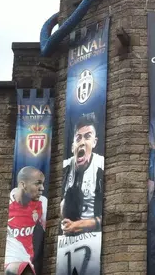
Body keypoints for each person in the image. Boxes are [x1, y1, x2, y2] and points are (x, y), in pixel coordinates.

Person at [57, 113, 104, 275]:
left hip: (93, 240)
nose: (82, 142)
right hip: (65, 243)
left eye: (87, 137)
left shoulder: (101, 168)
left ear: (94, 142)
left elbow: (112, 216)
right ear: (72, 146)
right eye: (78, 138)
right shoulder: (63, 169)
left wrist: (79, 225)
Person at [4, 167, 47, 275]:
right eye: (38, 183)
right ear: (23, 185)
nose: (42, 188)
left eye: (42, 184)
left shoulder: (42, 202)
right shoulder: (6, 204)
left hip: (27, 259)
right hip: (8, 262)